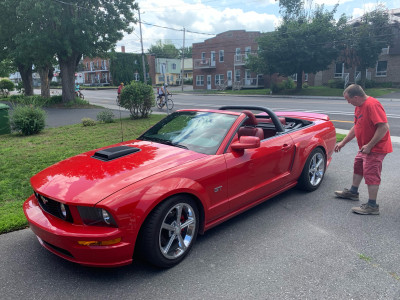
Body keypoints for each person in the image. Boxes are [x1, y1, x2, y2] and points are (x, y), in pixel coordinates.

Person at [334, 84, 392, 215]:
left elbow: (384, 127)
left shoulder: (372, 105)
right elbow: (356, 127)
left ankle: (372, 206)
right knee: (358, 165)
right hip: (365, 147)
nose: (348, 102)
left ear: (356, 97)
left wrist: (370, 145)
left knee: (371, 173)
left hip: (376, 148)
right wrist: (343, 143)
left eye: (348, 99)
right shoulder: (359, 106)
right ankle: (353, 192)